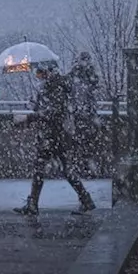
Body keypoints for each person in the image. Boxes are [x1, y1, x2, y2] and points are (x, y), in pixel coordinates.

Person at [14, 62, 96, 216]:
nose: (38, 76)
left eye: (39, 72)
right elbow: (51, 110)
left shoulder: (55, 87)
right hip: (56, 135)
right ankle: (86, 200)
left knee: (42, 168)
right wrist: (37, 106)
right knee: (64, 169)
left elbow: (53, 112)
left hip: (52, 136)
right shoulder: (55, 86)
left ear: (47, 72)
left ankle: (33, 204)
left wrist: (30, 116)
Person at [69, 52, 101, 175]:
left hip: (80, 111)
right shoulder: (88, 73)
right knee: (87, 142)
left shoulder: (76, 73)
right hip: (86, 112)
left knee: (79, 142)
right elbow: (95, 85)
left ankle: (80, 167)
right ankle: (87, 168)